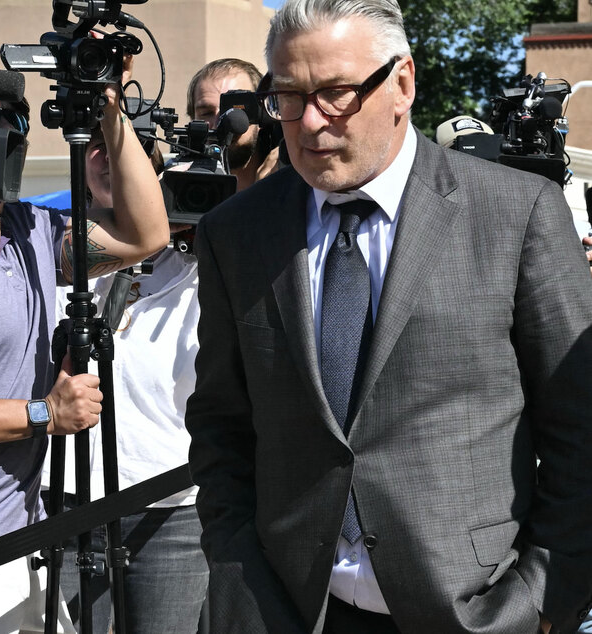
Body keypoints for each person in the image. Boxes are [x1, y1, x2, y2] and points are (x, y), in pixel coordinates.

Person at [186, 0, 592, 633]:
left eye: (336, 93)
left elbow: (579, 426)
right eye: (288, 97)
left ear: (402, 82)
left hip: (476, 611)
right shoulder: (236, 234)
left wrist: (547, 595)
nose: (310, 122)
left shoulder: (517, 214)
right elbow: (222, 427)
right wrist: (238, 574)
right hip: (290, 609)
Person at [0, 45, 169, 633]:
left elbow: (144, 234)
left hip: (16, 534)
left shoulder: (30, 229)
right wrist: (44, 413)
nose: (1, 143)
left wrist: (110, 112)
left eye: (13, 126)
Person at [51, 126, 210, 634]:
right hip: (66, 504)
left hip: (170, 515)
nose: (109, 158)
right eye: (94, 143)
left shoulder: (205, 268)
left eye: (132, 145)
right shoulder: (51, 251)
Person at [186, 58, 280, 190]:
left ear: (261, 115)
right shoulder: (179, 184)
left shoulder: (289, 180)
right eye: (207, 113)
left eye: (236, 109)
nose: (222, 122)